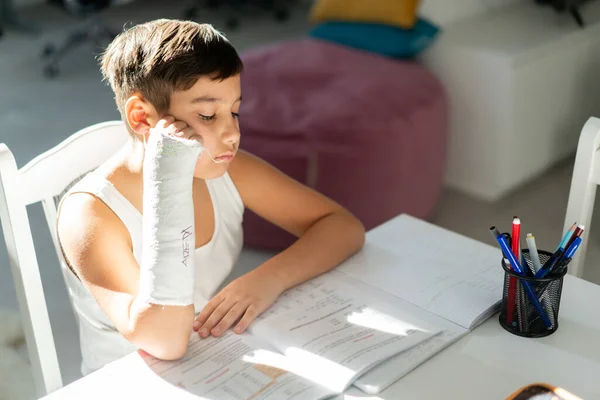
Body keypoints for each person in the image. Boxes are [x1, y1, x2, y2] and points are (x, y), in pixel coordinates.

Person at [56, 18, 365, 375]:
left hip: (210, 360)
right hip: (130, 382)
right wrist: (170, 180)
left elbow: (343, 226)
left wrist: (268, 278)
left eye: (234, 111)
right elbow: (165, 342)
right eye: (207, 114)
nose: (232, 133)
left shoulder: (226, 171)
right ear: (142, 117)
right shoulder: (90, 215)